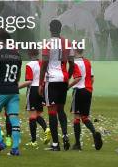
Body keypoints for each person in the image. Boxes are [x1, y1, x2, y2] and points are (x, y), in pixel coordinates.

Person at [39, 19, 74, 151]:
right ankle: (65, 135)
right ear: (60, 29)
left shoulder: (47, 43)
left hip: (51, 80)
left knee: (52, 112)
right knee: (61, 110)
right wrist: (67, 77)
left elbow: (44, 65)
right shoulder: (67, 43)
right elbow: (72, 64)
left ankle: (55, 144)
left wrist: (41, 83)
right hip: (63, 80)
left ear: (50, 29)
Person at [69, 49, 103, 151]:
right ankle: (94, 133)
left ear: (75, 51)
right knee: (85, 117)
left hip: (79, 90)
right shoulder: (87, 62)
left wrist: (67, 86)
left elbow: (77, 78)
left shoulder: (74, 63)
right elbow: (92, 79)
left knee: (76, 117)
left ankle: (77, 144)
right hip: (88, 91)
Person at [18, 49, 50, 147]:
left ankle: (34, 140)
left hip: (33, 89)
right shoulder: (43, 64)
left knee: (32, 116)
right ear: (37, 54)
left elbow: (29, 81)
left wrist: (17, 86)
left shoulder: (29, 65)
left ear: (29, 54)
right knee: (38, 114)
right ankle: (46, 129)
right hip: (42, 89)